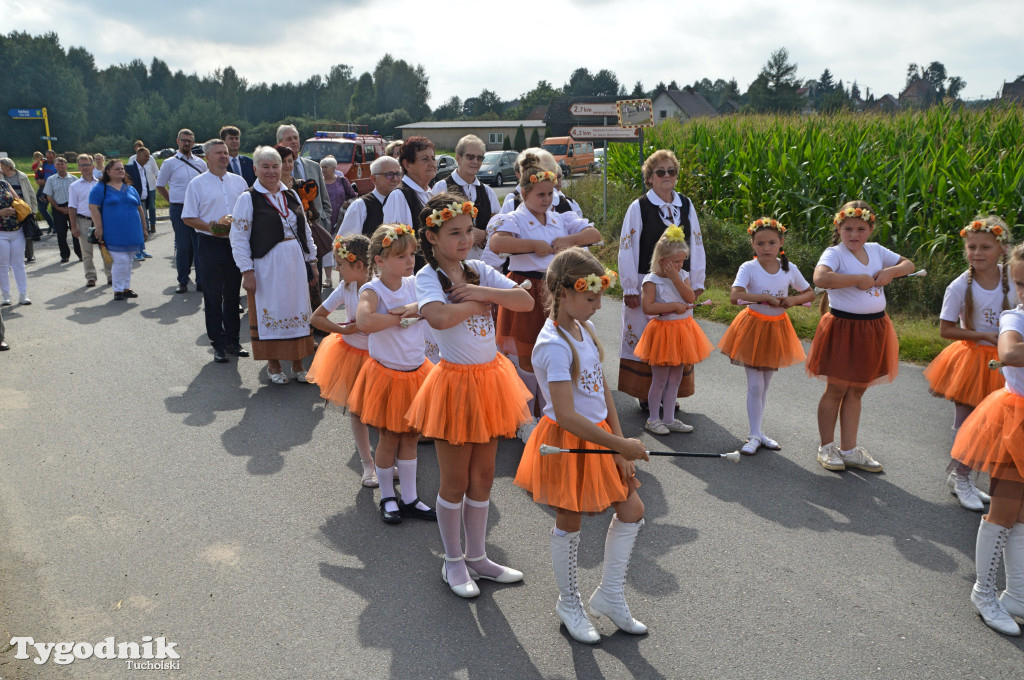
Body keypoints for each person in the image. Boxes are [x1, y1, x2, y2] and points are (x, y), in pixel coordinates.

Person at [514, 248, 650, 644]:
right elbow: (568, 415)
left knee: (632, 509)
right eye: (590, 297)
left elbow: (602, 392)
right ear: (562, 292)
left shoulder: (583, 329)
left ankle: (609, 595)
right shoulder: (553, 344)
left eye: (598, 296)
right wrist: (618, 444)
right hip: (568, 441)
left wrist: (620, 445)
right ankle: (569, 601)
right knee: (569, 519)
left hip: (601, 435)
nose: (596, 304)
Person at [407, 193, 533, 598]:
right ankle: (453, 561)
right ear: (431, 236)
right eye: (454, 233)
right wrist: (476, 306)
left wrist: (482, 296)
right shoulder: (427, 277)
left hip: (490, 381)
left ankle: (478, 556)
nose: (465, 240)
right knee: (455, 478)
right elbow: (439, 317)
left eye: (467, 231)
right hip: (455, 385)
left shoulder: (477, 269)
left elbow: (526, 300)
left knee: (483, 476)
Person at [488, 156, 602, 441]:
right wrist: (532, 246)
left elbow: (594, 233)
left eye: (550, 193)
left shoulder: (559, 217)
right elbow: (497, 243)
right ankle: (526, 417)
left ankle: (550, 410)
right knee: (526, 356)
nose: (547, 199)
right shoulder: (515, 217)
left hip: (555, 289)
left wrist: (568, 241)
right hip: (526, 286)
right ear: (524, 193)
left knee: (555, 350)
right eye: (540, 194)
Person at [950, 242, 1024, 637]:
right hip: (1015, 423)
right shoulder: (1015, 318)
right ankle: (984, 592)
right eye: (1020, 283)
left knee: (1023, 516)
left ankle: (1017, 595)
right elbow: (1010, 353)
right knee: (1003, 512)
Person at [808, 201, 915, 472]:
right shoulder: (835, 253)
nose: (854, 234)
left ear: (870, 229)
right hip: (844, 328)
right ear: (839, 228)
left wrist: (891, 271)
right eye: (848, 228)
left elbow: (909, 264)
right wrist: (856, 279)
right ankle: (827, 447)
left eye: (860, 228)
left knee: (857, 389)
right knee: (836, 389)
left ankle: (850, 449)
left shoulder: (876, 250)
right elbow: (820, 278)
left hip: (873, 329)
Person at [346, 224, 435, 525]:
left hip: (416, 371)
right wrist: (401, 317)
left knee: (411, 437)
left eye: (412, 254)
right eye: (401, 256)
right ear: (380, 260)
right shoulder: (374, 289)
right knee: (388, 439)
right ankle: (387, 495)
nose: (410, 261)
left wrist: (414, 307)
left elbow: (436, 303)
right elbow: (364, 321)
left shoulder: (415, 284)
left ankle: (409, 497)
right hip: (388, 375)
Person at [924, 217, 1015, 510]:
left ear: (1002, 249)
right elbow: (946, 329)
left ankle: (965, 476)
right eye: (971, 246)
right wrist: (982, 334)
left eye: (985, 247)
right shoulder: (960, 285)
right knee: (968, 422)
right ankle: (960, 477)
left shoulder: (1013, 278)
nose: (977, 253)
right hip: (974, 359)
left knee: (993, 425)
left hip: (1006, 361)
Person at [617, 150, 706, 410]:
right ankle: (647, 395)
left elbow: (697, 242)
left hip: (680, 283)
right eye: (660, 172)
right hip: (649, 283)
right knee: (649, 337)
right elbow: (628, 246)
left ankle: (669, 397)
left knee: (675, 335)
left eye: (671, 171)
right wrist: (631, 286)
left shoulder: (686, 205)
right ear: (649, 178)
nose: (667, 176)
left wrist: (697, 282)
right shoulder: (639, 207)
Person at [718, 218, 815, 454]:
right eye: (760, 243)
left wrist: (791, 300)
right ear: (752, 243)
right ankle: (753, 435)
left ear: (781, 242)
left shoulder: (788, 268)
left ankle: (759, 432)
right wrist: (764, 297)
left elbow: (809, 293)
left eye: (772, 242)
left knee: (765, 385)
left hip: (776, 328)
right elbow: (735, 296)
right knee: (755, 385)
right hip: (753, 328)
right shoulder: (748, 268)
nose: (766, 247)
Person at [230, 146, 318, 384]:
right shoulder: (248, 198)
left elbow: (305, 230)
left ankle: (299, 364)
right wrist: (247, 271)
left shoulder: (291, 194)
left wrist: (312, 261)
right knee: (273, 312)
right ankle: (274, 365)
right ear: (255, 168)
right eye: (265, 166)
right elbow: (238, 238)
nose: (271, 171)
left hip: (295, 262)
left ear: (282, 167)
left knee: (297, 310)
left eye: (275, 166)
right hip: (267, 265)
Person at [307, 234, 377, 487]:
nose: (336, 270)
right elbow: (317, 318)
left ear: (358, 265)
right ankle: (368, 463)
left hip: (381, 357)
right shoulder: (345, 287)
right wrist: (344, 329)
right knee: (357, 411)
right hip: (352, 354)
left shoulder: (380, 286)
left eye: (340, 265)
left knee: (382, 412)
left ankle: (388, 462)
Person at [633, 225, 714, 435]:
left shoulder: (682, 274)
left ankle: (669, 418)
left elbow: (689, 298)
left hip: (682, 332)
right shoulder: (651, 280)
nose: (679, 265)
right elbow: (648, 307)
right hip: (663, 334)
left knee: (675, 378)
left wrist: (677, 278)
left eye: (681, 261)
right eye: (675, 262)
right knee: (659, 379)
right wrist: (672, 307)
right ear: (662, 261)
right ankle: (653, 419)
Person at [182, 139, 251, 363]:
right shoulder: (197, 184)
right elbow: (188, 217)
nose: (224, 156)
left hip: (235, 243)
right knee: (213, 295)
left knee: (233, 295)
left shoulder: (239, 182)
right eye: (219, 153)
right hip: (210, 243)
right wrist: (213, 226)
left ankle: (233, 341)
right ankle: (218, 344)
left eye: (226, 153)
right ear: (207, 157)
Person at [431, 135, 499, 261]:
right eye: (470, 157)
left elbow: (499, 225)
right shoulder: (442, 187)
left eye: (479, 158)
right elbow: (433, 225)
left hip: (484, 262)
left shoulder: (488, 192)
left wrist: (485, 234)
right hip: (453, 261)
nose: (475, 162)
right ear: (458, 158)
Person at [89, 160, 148, 301]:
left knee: (128, 261)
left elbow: (140, 209)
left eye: (122, 169)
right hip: (113, 231)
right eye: (117, 169)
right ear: (108, 171)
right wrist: (99, 227)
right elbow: (93, 208)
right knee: (121, 260)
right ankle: (117, 289)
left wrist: (145, 228)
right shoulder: (100, 188)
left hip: (133, 231)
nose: (121, 171)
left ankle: (126, 288)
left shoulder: (131, 188)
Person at [158, 129, 208, 293]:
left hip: (198, 209)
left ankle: (201, 280)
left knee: (200, 245)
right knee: (183, 246)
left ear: (193, 143)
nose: (187, 143)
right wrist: (171, 201)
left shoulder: (201, 163)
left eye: (190, 141)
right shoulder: (169, 163)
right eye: (184, 140)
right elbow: (160, 185)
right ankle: (183, 280)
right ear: (178, 141)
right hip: (179, 207)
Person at [67, 155, 110, 287]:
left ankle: (111, 275)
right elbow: (72, 207)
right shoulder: (74, 186)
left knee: (105, 249)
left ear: (92, 166)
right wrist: (73, 226)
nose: (85, 168)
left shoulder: (101, 184)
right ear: (78, 168)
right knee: (86, 252)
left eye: (87, 165)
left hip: (100, 220)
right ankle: (91, 277)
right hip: (83, 220)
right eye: (82, 165)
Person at [276, 124, 331, 223]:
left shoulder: (315, 167)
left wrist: (325, 220)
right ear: (280, 143)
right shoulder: (275, 172)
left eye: (295, 138)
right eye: (289, 139)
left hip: (317, 228)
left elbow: (325, 200)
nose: (293, 141)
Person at [338, 156, 401, 239]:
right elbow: (344, 243)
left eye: (398, 174)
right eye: (389, 175)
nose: (395, 179)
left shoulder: (404, 202)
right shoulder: (360, 206)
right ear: (374, 179)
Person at [319, 155, 358, 288]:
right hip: (324, 220)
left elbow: (353, 196)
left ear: (334, 168)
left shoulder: (342, 180)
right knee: (326, 249)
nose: (323, 169)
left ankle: (343, 276)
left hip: (341, 220)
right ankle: (328, 278)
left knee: (341, 248)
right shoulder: (319, 182)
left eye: (325, 167)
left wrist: (348, 203)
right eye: (321, 167)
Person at [0, 158, 39, 263]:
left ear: (8, 166)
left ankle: (30, 255)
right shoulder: (1, 178)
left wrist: (34, 211)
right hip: (8, 210)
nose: (0, 168)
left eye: (1, 166)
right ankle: (11, 255)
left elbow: (31, 194)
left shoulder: (21, 176)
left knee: (27, 230)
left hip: (22, 208)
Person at [0, 173, 30, 306]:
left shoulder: (5, 184)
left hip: (17, 229)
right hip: (1, 232)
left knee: (18, 264)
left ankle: (23, 294)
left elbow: (18, 200)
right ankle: (6, 295)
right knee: (3, 266)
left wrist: (17, 207)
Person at [43, 156, 80, 263]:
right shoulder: (51, 179)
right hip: (58, 207)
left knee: (76, 231)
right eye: (58, 164)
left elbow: (78, 195)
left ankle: (80, 253)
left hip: (72, 207)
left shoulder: (73, 179)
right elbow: (49, 196)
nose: (60, 167)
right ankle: (65, 255)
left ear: (66, 165)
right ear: (55, 166)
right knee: (61, 233)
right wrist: (58, 208)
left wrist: (72, 208)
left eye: (62, 164)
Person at [126, 147, 157, 242]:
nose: (148, 158)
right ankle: (137, 251)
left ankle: (141, 249)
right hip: (134, 202)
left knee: (144, 227)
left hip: (143, 201)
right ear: (138, 156)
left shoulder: (143, 169)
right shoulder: (129, 169)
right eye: (145, 156)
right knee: (137, 227)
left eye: (148, 156)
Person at [34, 150, 56, 234]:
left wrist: (46, 182)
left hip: (54, 189)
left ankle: (55, 227)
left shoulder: (57, 165)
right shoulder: (43, 163)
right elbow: (36, 171)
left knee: (55, 209)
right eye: (47, 157)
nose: (49, 159)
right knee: (41, 208)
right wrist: (38, 180)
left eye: (51, 157)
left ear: (54, 156)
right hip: (43, 188)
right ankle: (51, 224)